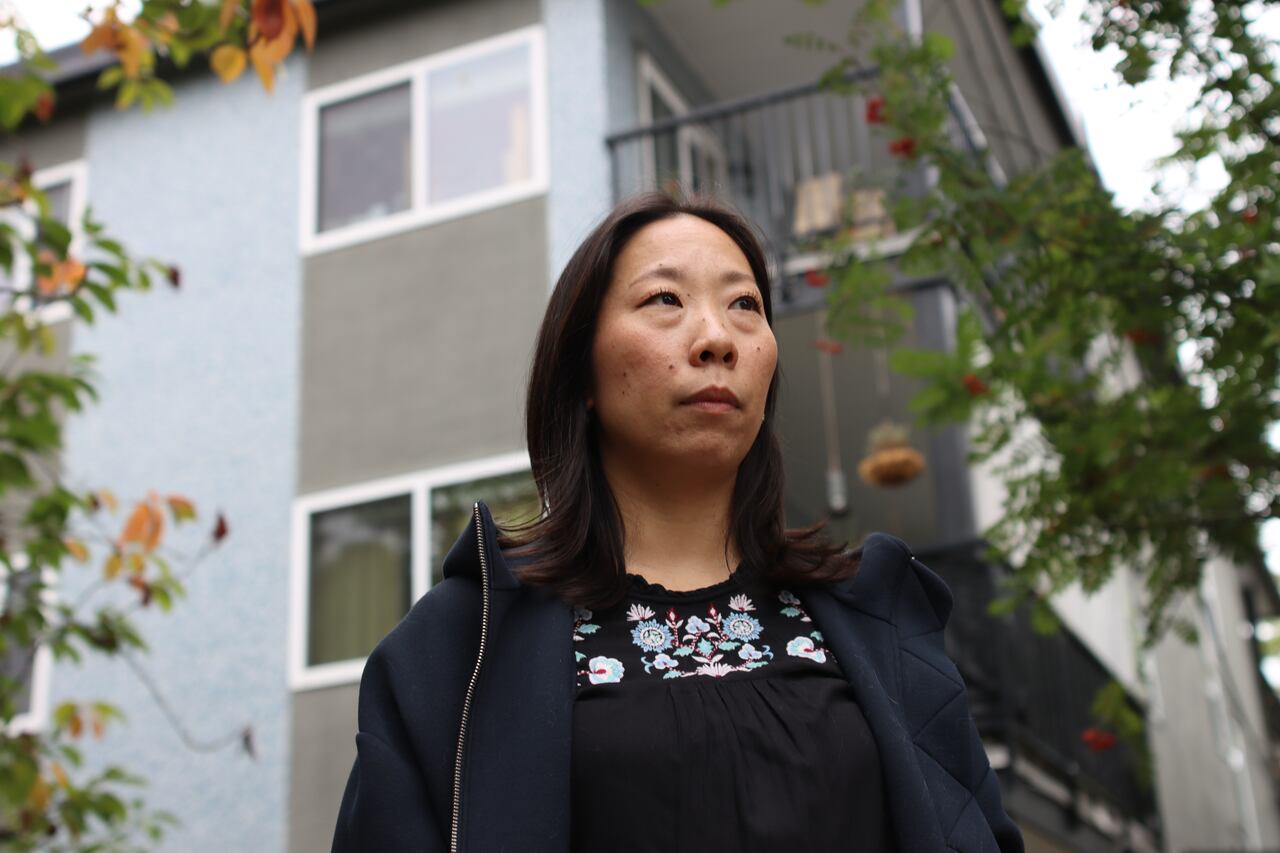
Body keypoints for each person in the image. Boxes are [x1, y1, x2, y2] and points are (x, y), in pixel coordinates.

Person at [330, 191, 1024, 853]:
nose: (717, 338)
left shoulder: (880, 620)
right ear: (582, 371)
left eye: (745, 305)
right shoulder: (461, 644)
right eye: (665, 298)